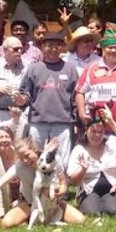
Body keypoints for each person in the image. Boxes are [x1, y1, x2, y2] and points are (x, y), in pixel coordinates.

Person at [0, 137, 85, 228]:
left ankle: (50, 216)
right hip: (29, 204)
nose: (25, 160)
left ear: (34, 149)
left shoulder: (53, 159)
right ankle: (30, 217)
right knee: (6, 224)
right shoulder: (19, 167)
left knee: (80, 220)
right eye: (21, 158)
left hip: (53, 202)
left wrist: (61, 191)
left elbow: (64, 183)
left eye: (27, 155)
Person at [15, 31, 78, 165]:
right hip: (38, 121)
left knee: (62, 159)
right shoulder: (34, 68)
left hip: (63, 121)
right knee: (35, 156)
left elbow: (76, 97)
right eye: (49, 45)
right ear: (43, 47)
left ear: (62, 47)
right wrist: (22, 99)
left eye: (57, 45)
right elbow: (25, 92)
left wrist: (75, 120)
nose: (53, 49)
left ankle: (61, 185)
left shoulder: (70, 69)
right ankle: (35, 184)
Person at [67, 117, 116, 216]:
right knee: (92, 212)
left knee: (114, 210)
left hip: (111, 189)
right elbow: (73, 181)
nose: (97, 135)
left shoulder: (112, 145)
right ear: (86, 131)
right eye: (93, 131)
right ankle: (88, 202)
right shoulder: (79, 150)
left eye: (100, 132)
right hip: (89, 190)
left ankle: (107, 203)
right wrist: (83, 170)